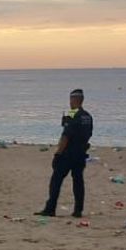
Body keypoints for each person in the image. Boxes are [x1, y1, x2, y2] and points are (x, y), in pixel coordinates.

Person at [37, 88, 94, 218]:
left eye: (71, 99)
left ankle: (50, 208)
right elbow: (89, 134)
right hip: (81, 153)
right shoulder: (88, 116)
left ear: (74, 100)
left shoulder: (73, 115)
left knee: (56, 180)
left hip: (68, 153)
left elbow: (65, 137)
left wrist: (58, 154)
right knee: (78, 181)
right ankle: (78, 210)